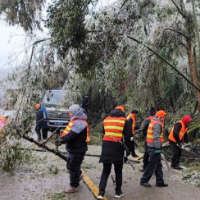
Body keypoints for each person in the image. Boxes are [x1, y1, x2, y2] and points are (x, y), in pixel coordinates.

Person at [97, 106, 132, 199]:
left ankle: (101, 193)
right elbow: (128, 138)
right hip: (118, 147)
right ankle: (118, 192)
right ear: (122, 112)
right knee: (118, 171)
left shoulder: (106, 120)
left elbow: (103, 134)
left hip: (106, 146)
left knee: (105, 171)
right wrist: (129, 150)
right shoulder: (125, 121)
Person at [55, 104, 89, 193]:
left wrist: (63, 140)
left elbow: (72, 134)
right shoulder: (76, 121)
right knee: (70, 166)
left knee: (73, 167)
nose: (69, 113)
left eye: (70, 112)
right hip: (74, 149)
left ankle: (74, 186)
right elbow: (70, 133)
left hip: (78, 149)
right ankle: (79, 175)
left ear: (75, 112)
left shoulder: (80, 123)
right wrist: (62, 139)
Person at [140, 110, 168, 187]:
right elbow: (156, 137)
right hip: (155, 147)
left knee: (158, 164)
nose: (164, 118)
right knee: (152, 165)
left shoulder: (153, 121)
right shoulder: (157, 124)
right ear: (160, 117)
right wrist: (158, 148)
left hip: (152, 146)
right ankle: (144, 180)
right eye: (164, 116)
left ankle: (159, 181)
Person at [140, 107, 157, 172]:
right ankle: (154, 169)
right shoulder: (158, 119)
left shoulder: (148, 120)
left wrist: (145, 135)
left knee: (147, 153)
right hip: (156, 139)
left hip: (148, 139)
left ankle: (145, 168)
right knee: (154, 154)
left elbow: (143, 129)